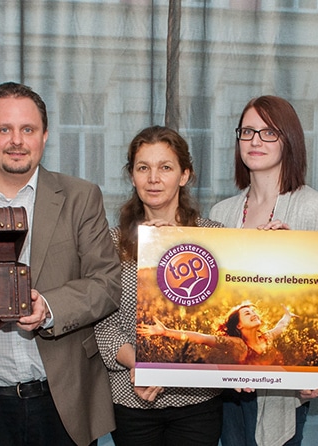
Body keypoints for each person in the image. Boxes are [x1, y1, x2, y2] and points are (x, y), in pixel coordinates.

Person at [0, 82, 121, 446]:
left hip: (64, 401)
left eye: (27, 129)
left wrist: (49, 307)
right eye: (4, 129)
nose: (16, 140)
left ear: (44, 136)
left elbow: (107, 282)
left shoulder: (81, 196)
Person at [210, 95, 318, 446]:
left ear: (289, 139)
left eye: (268, 132)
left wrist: (294, 254)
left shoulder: (314, 208)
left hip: (282, 388)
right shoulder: (221, 212)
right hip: (228, 385)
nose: (254, 141)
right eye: (247, 131)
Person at [95, 125, 223, 446]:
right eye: (143, 168)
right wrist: (142, 366)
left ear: (184, 175)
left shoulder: (214, 238)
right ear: (132, 176)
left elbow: (222, 317)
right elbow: (102, 325)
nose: (153, 178)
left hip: (197, 401)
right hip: (131, 396)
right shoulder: (111, 243)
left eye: (165, 167)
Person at [138, 301, 295, 366]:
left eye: (254, 312)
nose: (254, 314)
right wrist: (166, 332)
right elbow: (202, 338)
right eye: (247, 313)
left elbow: (280, 327)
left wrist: (287, 315)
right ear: (239, 325)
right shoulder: (237, 344)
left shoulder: (266, 337)